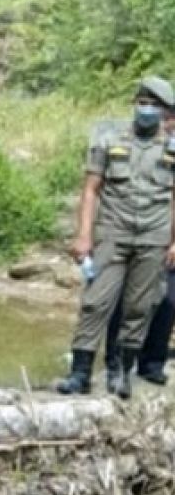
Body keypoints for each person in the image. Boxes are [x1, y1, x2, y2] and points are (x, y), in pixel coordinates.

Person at [55, 76, 175, 398]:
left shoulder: (173, 147)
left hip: (153, 237)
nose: (146, 109)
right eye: (141, 102)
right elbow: (91, 190)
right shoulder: (109, 139)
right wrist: (83, 235)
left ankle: (120, 371)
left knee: (139, 307)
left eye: (153, 105)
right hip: (113, 233)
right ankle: (79, 373)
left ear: (165, 113)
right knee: (96, 302)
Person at [102, 100, 175, 389]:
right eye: (169, 119)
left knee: (168, 301)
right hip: (145, 233)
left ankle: (151, 362)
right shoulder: (152, 148)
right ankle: (115, 362)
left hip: (166, 239)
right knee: (125, 299)